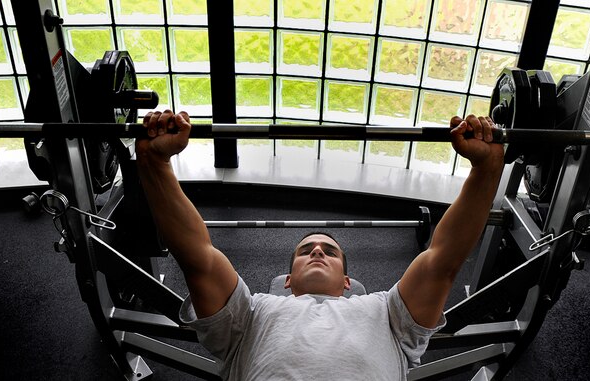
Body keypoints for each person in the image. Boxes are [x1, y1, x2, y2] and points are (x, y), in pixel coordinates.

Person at [136, 111, 504, 380]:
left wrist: (487, 169)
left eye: (329, 251)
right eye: (306, 250)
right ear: (287, 281)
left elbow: (443, 260)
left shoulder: (388, 314)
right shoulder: (249, 314)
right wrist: (155, 162)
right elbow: (197, 256)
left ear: (348, 283)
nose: (316, 251)